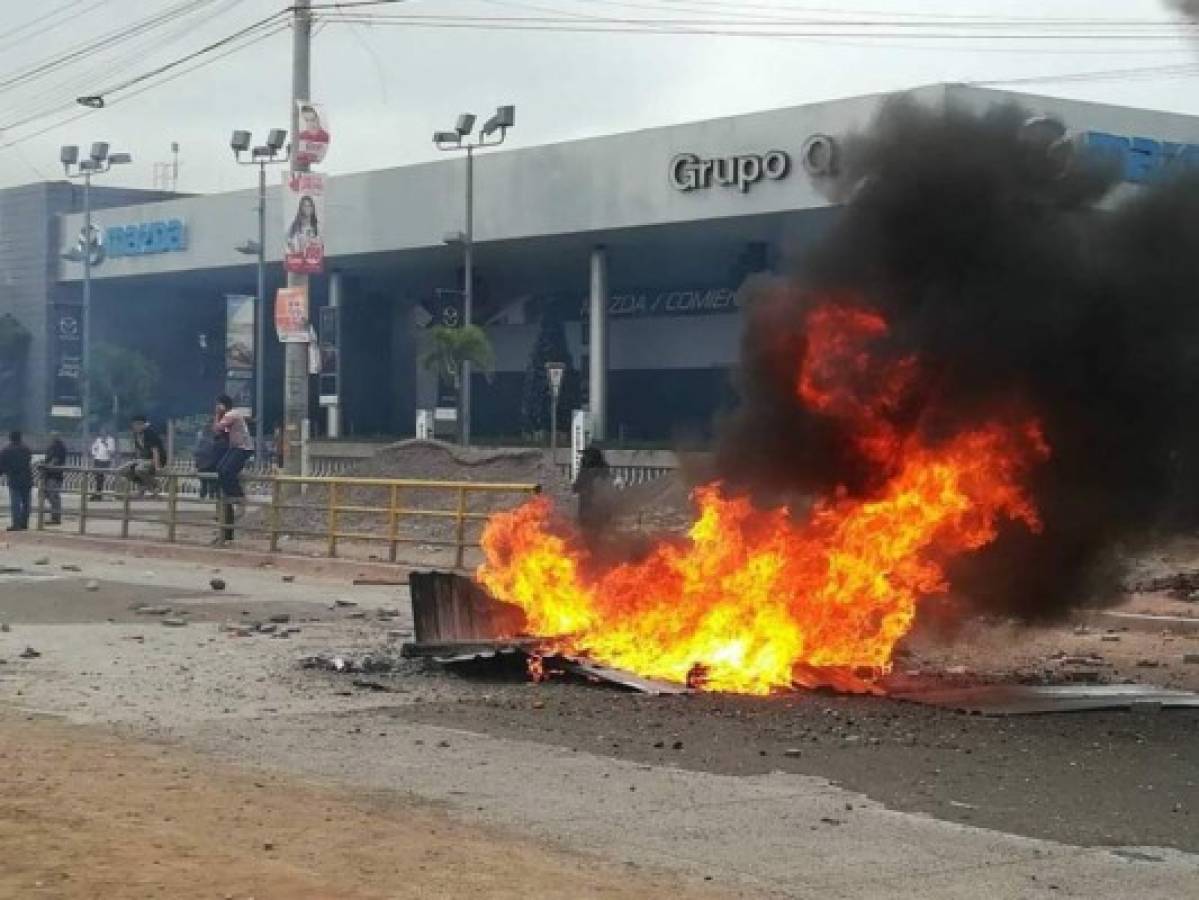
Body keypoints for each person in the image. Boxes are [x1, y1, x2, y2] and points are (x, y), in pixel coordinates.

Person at [212, 394, 254, 543]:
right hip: (235, 448)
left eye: (218, 405)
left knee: (226, 470)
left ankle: (239, 497)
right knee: (220, 469)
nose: (216, 408)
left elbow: (217, 427)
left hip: (242, 448)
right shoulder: (228, 416)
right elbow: (217, 432)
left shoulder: (232, 414)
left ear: (224, 405)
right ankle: (232, 495)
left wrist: (217, 414)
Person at [572, 443, 611, 532]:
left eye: (586, 455)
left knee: (592, 530)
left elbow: (578, 486)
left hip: (594, 507)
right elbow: (577, 486)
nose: (583, 458)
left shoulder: (595, 471)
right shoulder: (594, 469)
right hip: (588, 506)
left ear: (592, 457)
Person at [0, 430, 33, 531]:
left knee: (16, 503)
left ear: (10, 438)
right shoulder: (26, 449)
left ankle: (16, 524)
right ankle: (24, 523)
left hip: (14, 479)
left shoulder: (6, 450)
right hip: (27, 478)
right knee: (26, 502)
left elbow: (2, 465)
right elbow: (29, 460)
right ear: (20, 438)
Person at [126, 415, 165, 497]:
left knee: (139, 469)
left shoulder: (150, 433)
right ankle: (144, 485)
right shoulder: (135, 434)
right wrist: (135, 461)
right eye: (134, 425)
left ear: (142, 425)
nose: (135, 427)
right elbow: (139, 450)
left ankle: (155, 483)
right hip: (143, 459)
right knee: (123, 470)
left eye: (137, 425)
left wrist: (157, 466)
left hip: (156, 459)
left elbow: (155, 451)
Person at [40, 432, 67, 525]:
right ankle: (55, 515)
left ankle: (56, 517)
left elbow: (55, 460)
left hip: (55, 475)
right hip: (50, 475)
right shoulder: (52, 446)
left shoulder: (59, 447)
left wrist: (46, 465)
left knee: (53, 496)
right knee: (48, 494)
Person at [192, 425, 224, 500]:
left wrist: (197, 464)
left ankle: (204, 497)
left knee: (205, 483)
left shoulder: (201, 440)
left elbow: (196, 452)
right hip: (212, 464)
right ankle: (212, 496)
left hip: (204, 464)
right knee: (212, 483)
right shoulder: (214, 440)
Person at [90, 428, 116, 500]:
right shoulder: (98, 439)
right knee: (97, 478)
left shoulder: (111, 440)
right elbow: (93, 448)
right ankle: (98, 494)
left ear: (107, 432)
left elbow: (111, 451)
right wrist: (94, 455)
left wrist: (105, 443)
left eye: (104, 431)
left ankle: (98, 494)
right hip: (97, 459)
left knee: (100, 478)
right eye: (101, 431)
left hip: (105, 460)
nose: (102, 433)